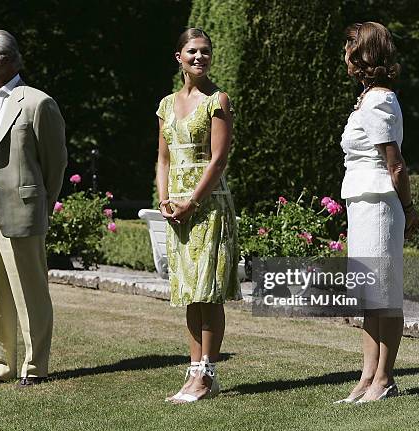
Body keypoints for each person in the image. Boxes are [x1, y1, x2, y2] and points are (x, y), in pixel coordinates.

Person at [0, 30, 67, 388]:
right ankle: (0, 364)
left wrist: (42, 204)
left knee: (29, 289)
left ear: (7, 59)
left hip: (23, 207)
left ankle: (34, 366)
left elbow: (55, 163)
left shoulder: (38, 103)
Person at [335, 22, 419, 403]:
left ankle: (385, 378)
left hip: (380, 206)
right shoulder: (368, 98)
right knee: (369, 297)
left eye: (349, 47)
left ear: (362, 53)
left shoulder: (380, 101)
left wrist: (408, 209)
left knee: (384, 295)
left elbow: (396, 165)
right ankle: (366, 377)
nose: (344, 53)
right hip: (362, 203)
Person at [155, 28, 241, 403]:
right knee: (189, 293)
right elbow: (163, 158)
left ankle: (207, 374)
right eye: (192, 51)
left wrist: (192, 201)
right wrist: (164, 201)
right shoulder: (166, 104)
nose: (200, 57)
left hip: (208, 207)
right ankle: (193, 373)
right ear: (179, 57)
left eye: (206, 51)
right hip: (176, 209)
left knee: (209, 292)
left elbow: (219, 160)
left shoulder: (217, 100)